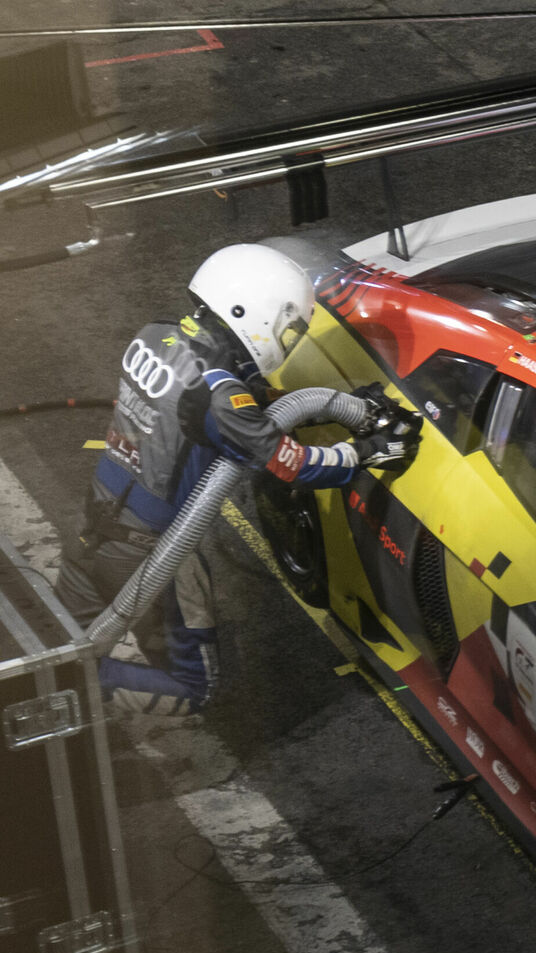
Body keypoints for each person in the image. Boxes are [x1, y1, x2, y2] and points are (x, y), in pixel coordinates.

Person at [57, 243, 414, 715]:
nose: (288, 339)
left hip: (91, 527)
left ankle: (53, 685)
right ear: (257, 313)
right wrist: (368, 450)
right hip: (152, 556)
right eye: (289, 327)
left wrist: (336, 406)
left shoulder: (155, 333)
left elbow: (219, 408)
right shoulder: (219, 394)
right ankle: (69, 697)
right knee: (194, 687)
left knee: (57, 646)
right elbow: (291, 464)